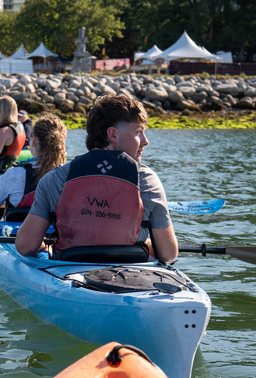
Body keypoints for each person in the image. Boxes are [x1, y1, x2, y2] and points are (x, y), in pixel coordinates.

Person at [15, 95, 178, 263]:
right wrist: (147, 245)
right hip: (131, 273)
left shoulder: (55, 178)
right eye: (138, 132)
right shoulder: (147, 180)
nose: (145, 141)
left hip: (70, 270)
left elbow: (25, 246)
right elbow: (168, 254)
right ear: (113, 135)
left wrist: (46, 247)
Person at [0, 114, 67, 221]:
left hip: (17, 235)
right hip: (55, 235)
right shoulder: (68, 173)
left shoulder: (15, 174)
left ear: (34, 140)